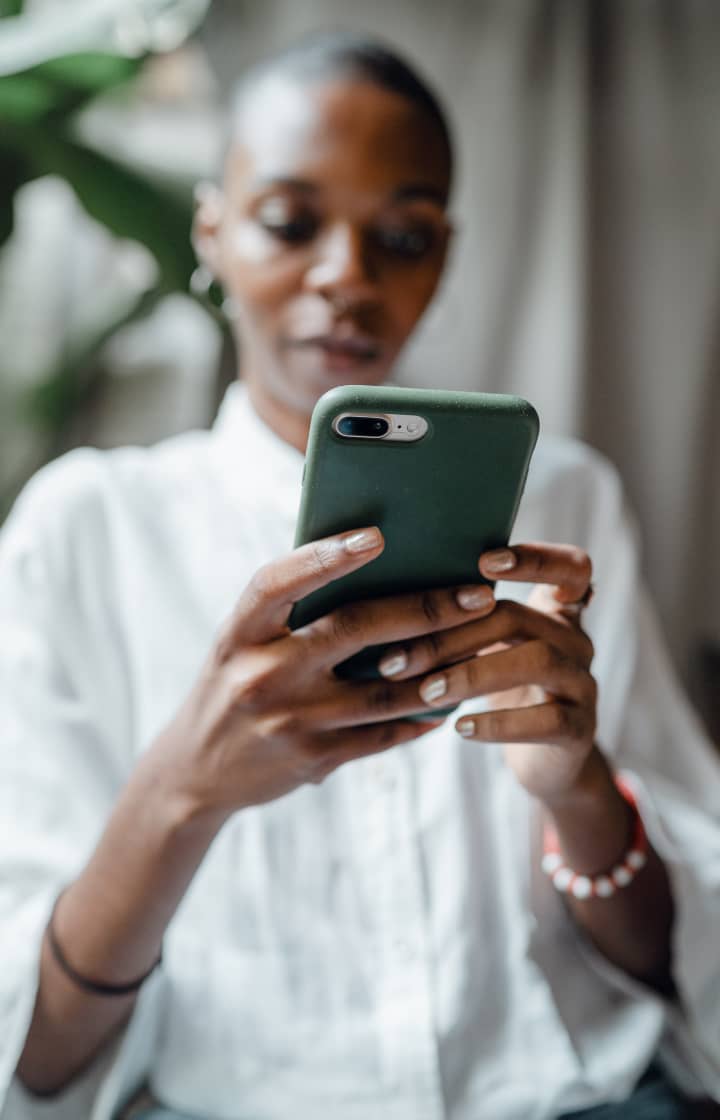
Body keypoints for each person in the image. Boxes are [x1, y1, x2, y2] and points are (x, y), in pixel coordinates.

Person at [1, 31, 719, 1120]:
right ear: (212, 231)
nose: (346, 274)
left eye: (402, 234)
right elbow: (35, 1061)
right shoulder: (87, 530)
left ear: (444, 253)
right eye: (291, 222)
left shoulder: (564, 505)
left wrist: (581, 791)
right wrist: (181, 793)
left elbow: (682, 961)